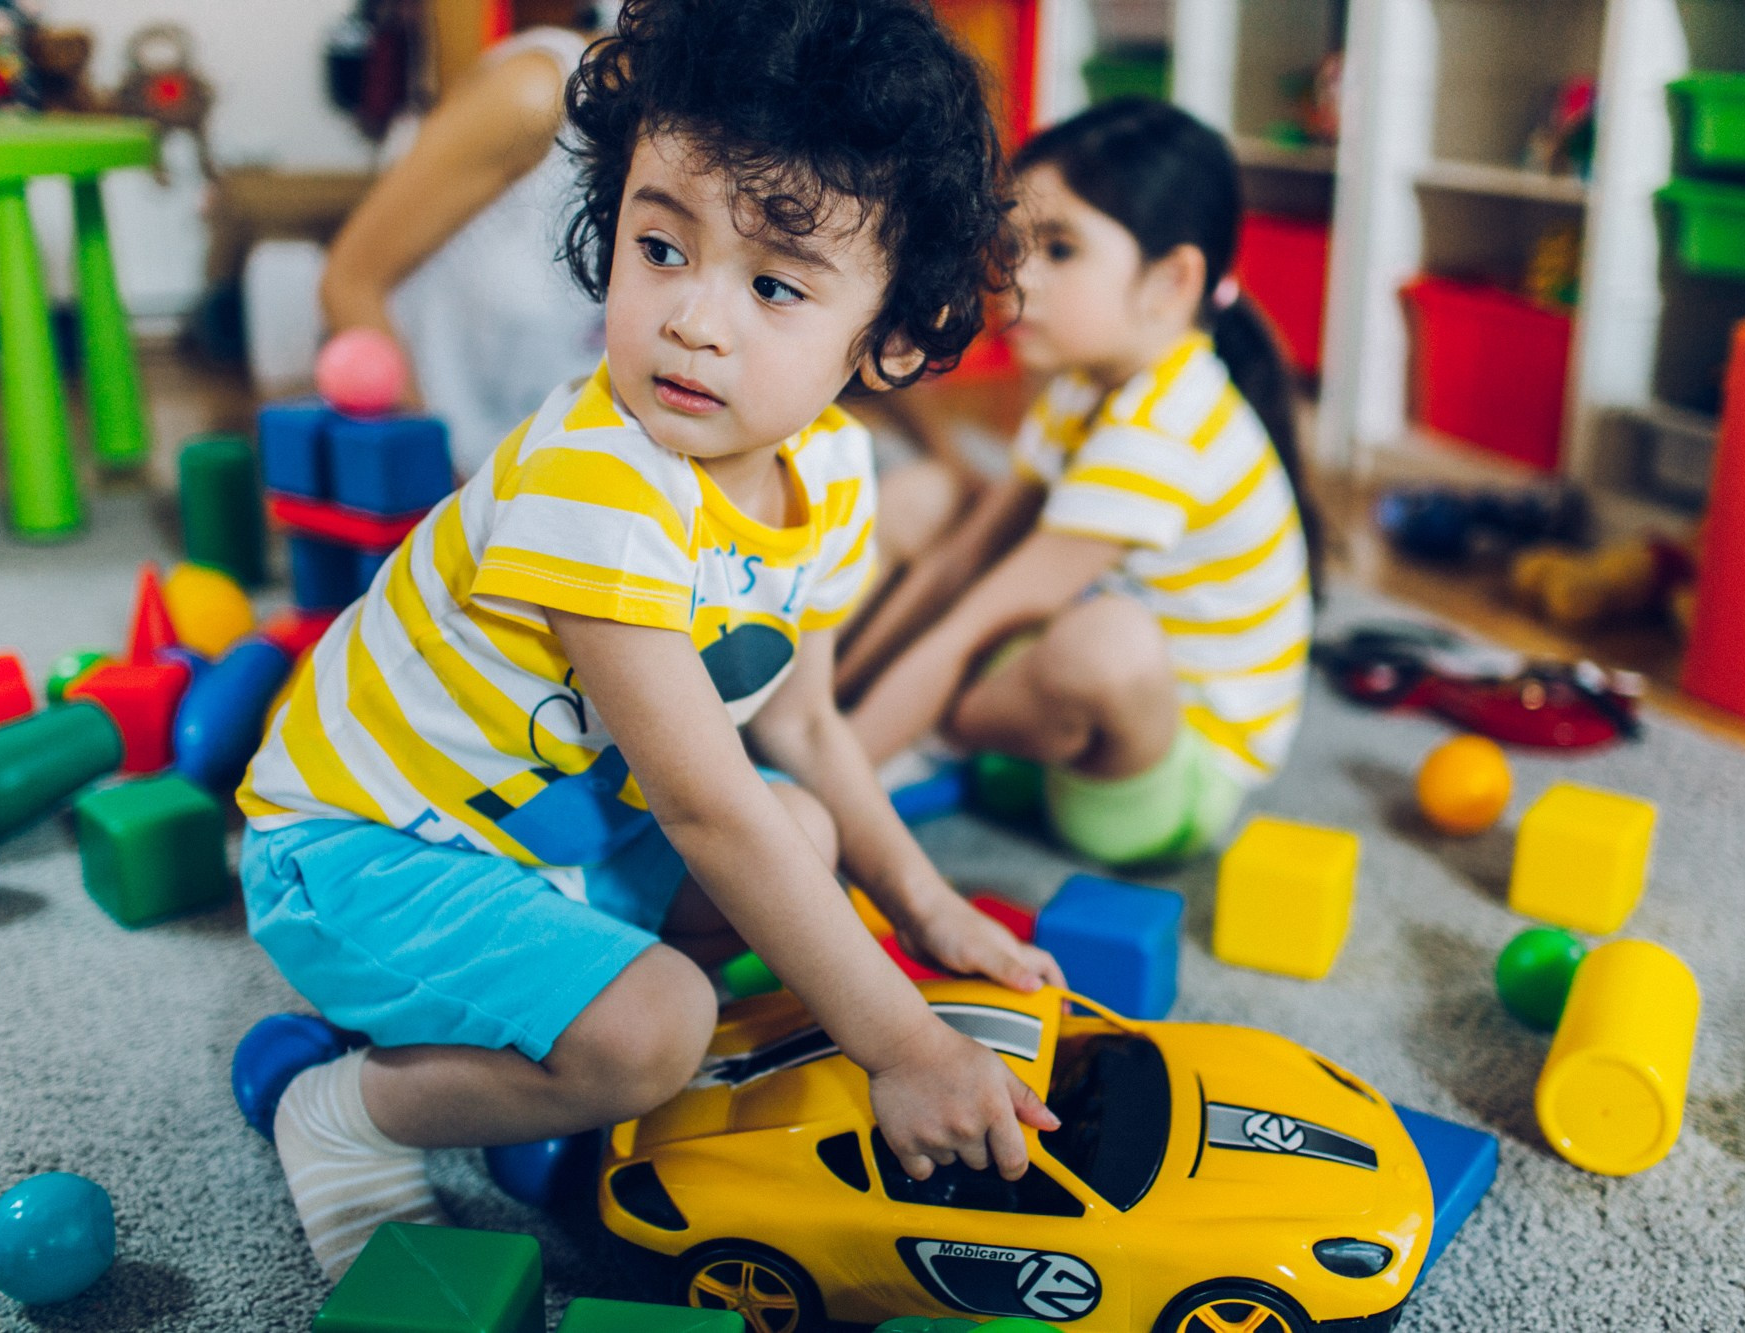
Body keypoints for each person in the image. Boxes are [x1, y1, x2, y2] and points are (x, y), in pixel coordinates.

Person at [236, 0, 1061, 1282]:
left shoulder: (830, 470)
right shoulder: (596, 482)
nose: (693, 319)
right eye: (660, 246)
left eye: (774, 285)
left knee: (803, 827)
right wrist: (903, 1044)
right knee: (657, 1024)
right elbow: (702, 806)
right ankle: (350, 1108)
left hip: (549, 847)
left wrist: (927, 906)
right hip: (362, 852)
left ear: (893, 335)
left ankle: (562, 1037)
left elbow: (803, 723)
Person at [843, 97, 1324, 867]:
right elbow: (961, 562)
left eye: (1060, 250)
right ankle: (858, 721)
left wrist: (823, 786)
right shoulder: (1083, 385)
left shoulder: (1165, 428)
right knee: (931, 499)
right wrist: (830, 704)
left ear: (1170, 282)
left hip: (1167, 778)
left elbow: (975, 622)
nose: (1017, 276)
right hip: (1060, 699)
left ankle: (918, 742)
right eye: (1016, 244)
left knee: (1104, 644)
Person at [318, 0, 604, 474]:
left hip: (560, 497)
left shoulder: (702, 150)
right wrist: (436, 487)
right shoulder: (535, 96)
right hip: (448, 485)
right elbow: (349, 283)